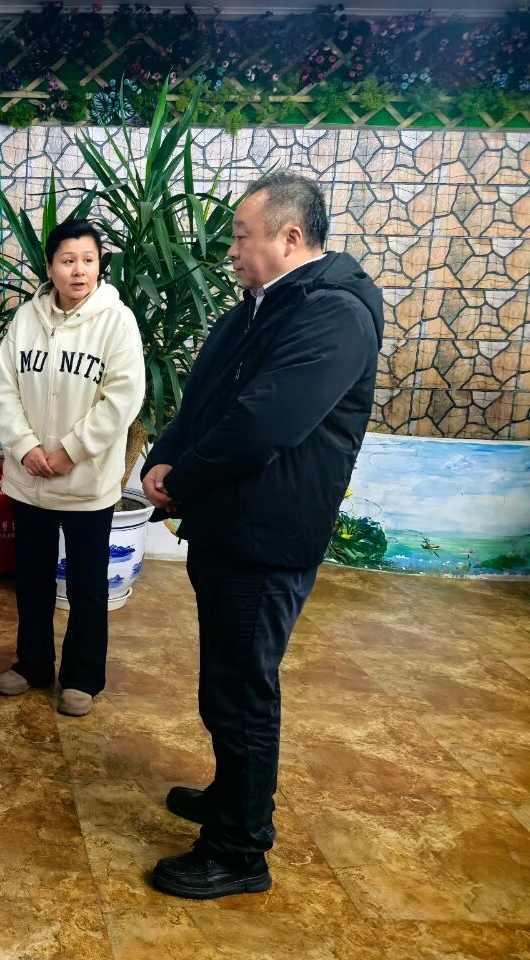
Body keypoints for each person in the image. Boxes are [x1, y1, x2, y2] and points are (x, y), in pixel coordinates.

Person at [140, 171, 383, 899]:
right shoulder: (253, 309)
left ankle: (240, 850)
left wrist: (183, 480)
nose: (232, 252)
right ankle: (230, 797)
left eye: (242, 237)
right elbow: (201, 402)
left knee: (243, 690)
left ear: (290, 237)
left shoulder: (335, 316)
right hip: (228, 526)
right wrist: (161, 459)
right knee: (225, 681)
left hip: (268, 537)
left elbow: (264, 423)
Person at [0, 219, 144, 717]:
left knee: (86, 585)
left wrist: (70, 451)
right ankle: (32, 664)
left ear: (100, 266)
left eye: (89, 260)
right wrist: (25, 446)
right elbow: (6, 388)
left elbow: (122, 398)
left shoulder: (117, 321)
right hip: (30, 477)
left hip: (86, 482)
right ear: (50, 266)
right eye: (68, 260)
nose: (79, 270)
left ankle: (82, 677)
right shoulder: (26, 319)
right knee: (32, 578)